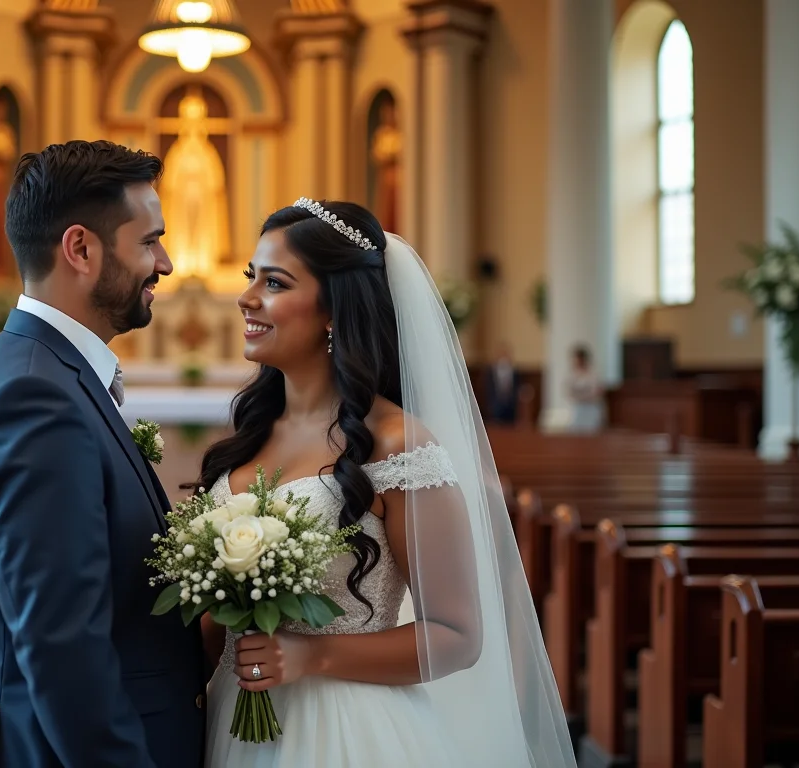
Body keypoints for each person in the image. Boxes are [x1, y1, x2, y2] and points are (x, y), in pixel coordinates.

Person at [196, 198, 577, 766]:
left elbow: (457, 635)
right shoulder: (250, 434)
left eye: (274, 283)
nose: (247, 298)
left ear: (334, 310)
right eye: (252, 277)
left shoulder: (397, 442)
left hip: (345, 731)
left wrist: (313, 656)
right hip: (234, 720)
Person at [0, 140, 209, 768]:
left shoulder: (35, 369)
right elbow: (63, 650)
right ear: (81, 249)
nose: (165, 262)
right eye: (149, 241)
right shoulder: (37, 398)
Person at [568, 345, 604, 432]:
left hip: (591, 408)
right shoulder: (573, 375)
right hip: (578, 408)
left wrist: (584, 395)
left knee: (591, 432)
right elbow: (569, 392)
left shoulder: (593, 375)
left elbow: (597, 392)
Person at [483, 342, 521, 424]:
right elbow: (488, 389)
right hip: (495, 407)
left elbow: (516, 388)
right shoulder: (490, 372)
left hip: (511, 406)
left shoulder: (515, 372)